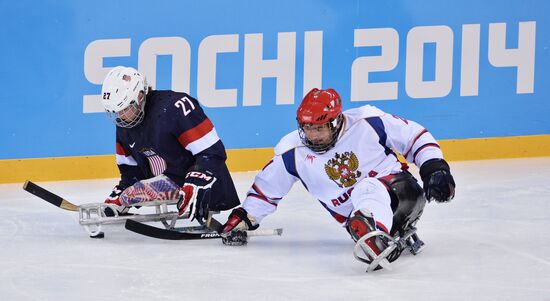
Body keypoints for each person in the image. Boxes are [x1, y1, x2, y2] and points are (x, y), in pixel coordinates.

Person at [221, 88, 455, 268]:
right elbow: (267, 188)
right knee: (362, 201)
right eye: (307, 128)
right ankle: (372, 234)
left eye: (320, 128)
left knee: (368, 187)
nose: (313, 135)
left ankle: (374, 233)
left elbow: (415, 137)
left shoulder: (368, 121)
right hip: (357, 224)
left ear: (336, 121)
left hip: (401, 194)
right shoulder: (292, 152)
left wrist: (434, 168)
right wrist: (244, 217)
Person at [100, 66, 239, 222]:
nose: (121, 115)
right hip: (166, 178)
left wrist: (196, 181)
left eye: (126, 108)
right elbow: (130, 171)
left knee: (133, 193)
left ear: (140, 97)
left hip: (198, 179)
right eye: (116, 111)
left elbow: (212, 152)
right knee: (130, 193)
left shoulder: (176, 106)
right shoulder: (125, 122)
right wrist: (123, 193)